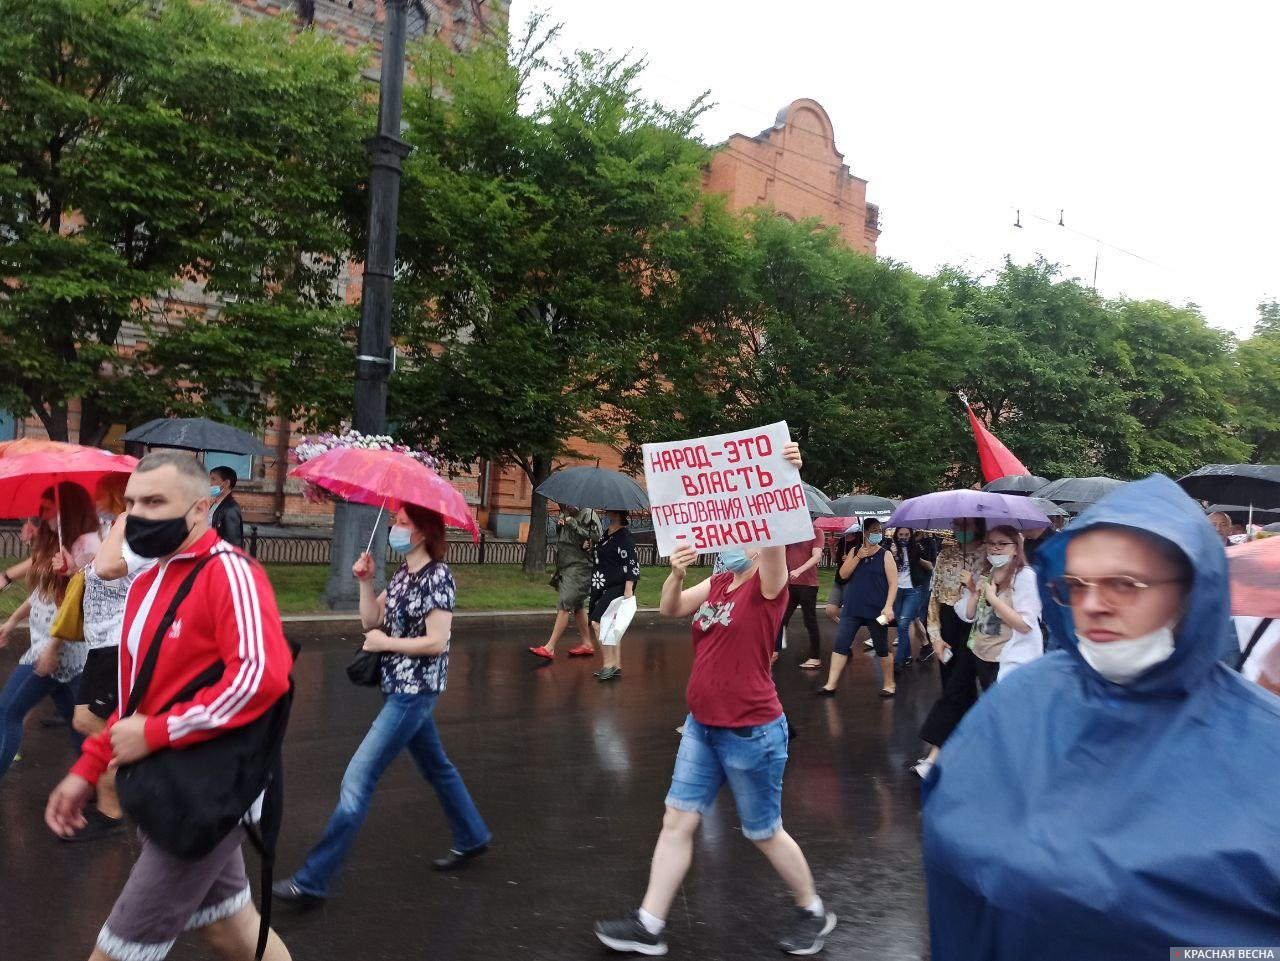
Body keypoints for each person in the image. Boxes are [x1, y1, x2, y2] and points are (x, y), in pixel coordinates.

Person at [922, 474, 1280, 958]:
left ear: (1192, 590)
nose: (1094, 605)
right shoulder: (1024, 698)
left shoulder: (1264, 740)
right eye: (1075, 585)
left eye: (1125, 584)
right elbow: (954, 838)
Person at [44, 451, 293, 961]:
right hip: (174, 785)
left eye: (156, 501)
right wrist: (87, 770)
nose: (138, 515)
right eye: (133, 502)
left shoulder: (232, 574)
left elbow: (260, 678)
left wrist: (157, 733)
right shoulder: (148, 583)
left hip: (212, 788)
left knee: (115, 953)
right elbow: (135, 702)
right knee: (233, 932)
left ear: (200, 509)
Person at [593, 442, 837, 957]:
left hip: (750, 730)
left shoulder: (771, 587)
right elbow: (671, 608)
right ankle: (649, 925)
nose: (732, 538)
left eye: (743, 532)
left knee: (763, 831)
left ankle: (812, 909)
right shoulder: (722, 580)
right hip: (702, 726)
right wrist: (678, 572)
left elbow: (771, 535)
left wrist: (782, 478)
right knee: (677, 821)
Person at [274, 502, 491, 907]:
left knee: (358, 778)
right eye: (394, 521)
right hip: (397, 686)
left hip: (416, 691)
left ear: (423, 531)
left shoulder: (438, 576)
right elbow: (370, 621)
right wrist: (365, 581)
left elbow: (437, 641)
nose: (394, 527)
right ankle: (472, 835)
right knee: (438, 768)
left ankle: (313, 880)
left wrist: (387, 643)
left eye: (402, 522)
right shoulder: (405, 574)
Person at [913, 525, 1042, 778]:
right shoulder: (988, 574)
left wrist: (993, 599)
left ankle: (1020, 771)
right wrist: (974, 591)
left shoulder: (1025, 577)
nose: (995, 548)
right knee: (959, 698)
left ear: (1016, 547)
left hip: (1006, 659)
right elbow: (967, 614)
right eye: (991, 543)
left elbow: (1025, 624)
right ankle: (938, 760)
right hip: (980, 651)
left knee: (1007, 719)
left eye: (1002, 543)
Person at [62, 480, 146, 842]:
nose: (95, 499)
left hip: (118, 643)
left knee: (92, 722)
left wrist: (124, 521)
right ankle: (121, 773)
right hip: (101, 643)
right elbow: (96, 573)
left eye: (101, 492)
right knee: (89, 722)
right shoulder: (115, 531)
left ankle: (113, 804)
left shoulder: (137, 535)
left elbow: (109, 570)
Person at [0, 482, 101, 776]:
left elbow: (76, 605)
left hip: (58, 646)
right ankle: (95, 782)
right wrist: (12, 620)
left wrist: (53, 649)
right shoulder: (54, 542)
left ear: (67, 508)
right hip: (52, 644)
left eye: (48, 508)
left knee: (7, 712)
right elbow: (41, 597)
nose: (43, 515)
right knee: (78, 722)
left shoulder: (87, 547)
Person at [817, 518, 897, 697]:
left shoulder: (886, 555)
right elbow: (843, 574)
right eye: (874, 530)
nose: (878, 533)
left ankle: (889, 683)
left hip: (877, 609)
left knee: (881, 646)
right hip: (852, 607)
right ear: (865, 533)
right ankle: (831, 684)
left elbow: (893, 583)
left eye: (880, 530)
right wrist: (859, 556)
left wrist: (889, 606)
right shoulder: (854, 551)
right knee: (841, 643)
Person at [529, 505, 603, 660]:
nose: (567, 504)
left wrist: (572, 524)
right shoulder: (567, 513)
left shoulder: (588, 514)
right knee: (578, 605)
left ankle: (549, 648)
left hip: (581, 567)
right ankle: (587, 643)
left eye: (570, 502)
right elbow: (566, 537)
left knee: (565, 603)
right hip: (566, 565)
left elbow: (597, 538)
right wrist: (560, 525)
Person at [591, 510, 640, 682]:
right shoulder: (608, 533)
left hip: (618, 586)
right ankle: (616, 664)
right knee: (612, 624)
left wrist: (628, 590)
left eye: (610, 509)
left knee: (597, 622)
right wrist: (590, 547)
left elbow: (632, 563)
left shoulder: (624, 536)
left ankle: (608, 664)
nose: (606, 511)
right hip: (602, 584)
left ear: (618, 513)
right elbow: (604, 555)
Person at [777, 522, 826, 669]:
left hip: (808, 585)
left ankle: (815, 657)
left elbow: (817, 557)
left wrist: (799, 570)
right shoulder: (790, 533)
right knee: (781, 619)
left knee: (809, 621)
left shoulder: (816, 532)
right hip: (790, 584)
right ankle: (774, 651)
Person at [889, 526, 932, 675]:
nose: (904, 537)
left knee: (903, 625)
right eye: (901, 534)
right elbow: (887, 569)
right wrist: (894, 555)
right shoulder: (890, 548)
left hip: (913, 590)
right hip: (896, 591)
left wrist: (918, 557)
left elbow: (929, 566)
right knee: (901, 625)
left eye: (907, 534)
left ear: (911, 535)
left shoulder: (917, 548)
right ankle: (906, 656)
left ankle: (898, 661)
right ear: (896, 535)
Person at [822, 523, 860, 624]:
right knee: (830, 611)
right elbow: (835, 560)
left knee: (850, 609)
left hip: (852, 579)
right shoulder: (842, 541)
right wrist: (831, 546)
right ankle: (843, 626)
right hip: (839, 579)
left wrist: (850, 559)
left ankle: (849, 630)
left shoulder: (859, 541)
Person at [208, 466, 244, 548]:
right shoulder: (212, 503)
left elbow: (233, 543)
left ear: (226, 483)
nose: (209, 482)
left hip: (217, 556)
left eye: (213, 479)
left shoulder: (231, 509)